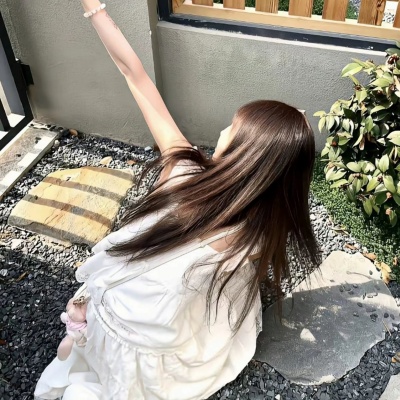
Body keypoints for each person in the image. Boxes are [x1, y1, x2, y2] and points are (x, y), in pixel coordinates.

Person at [34, 1, 320, 399]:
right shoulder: (261, 230)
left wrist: (94, 8)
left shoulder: (183, 173)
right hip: (155, 351)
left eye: (232, 126)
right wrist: (291, 142)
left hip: (114, 319)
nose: (224, 129)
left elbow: (134, 74)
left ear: (240, 152)